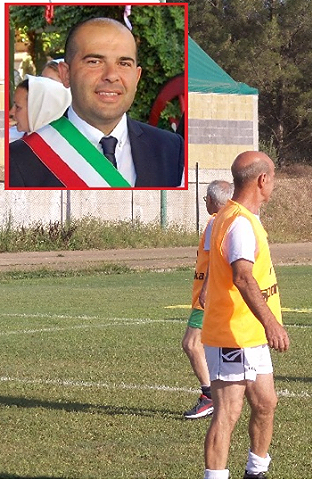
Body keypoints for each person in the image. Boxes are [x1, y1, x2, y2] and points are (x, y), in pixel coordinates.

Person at [7, 17, 184, 189]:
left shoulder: (172, 150)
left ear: (137, 77)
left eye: (123, 63)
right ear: (66, 74)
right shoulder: (19, 159)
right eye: (94, 62)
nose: (112, 75)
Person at [201, 151, 290, 479]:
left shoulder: (241, 217)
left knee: (266, 402)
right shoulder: (238, 222)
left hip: (250, 333)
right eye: (274, 178)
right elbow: (242, 276)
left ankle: (256, 471)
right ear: (262, 180)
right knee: (228, 411)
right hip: (232, 333)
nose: (274, 186)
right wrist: (272, 323)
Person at [182, 180, 234, 420]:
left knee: (192, 344)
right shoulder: (230, 220)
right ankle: (223, 394)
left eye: (206, 199)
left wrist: (206, 289)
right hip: (214, 293)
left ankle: (209, 396)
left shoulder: (216, 222)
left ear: (214, 200)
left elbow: (217, 257)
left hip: (208, 296)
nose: (206, 203)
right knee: (215, 345)